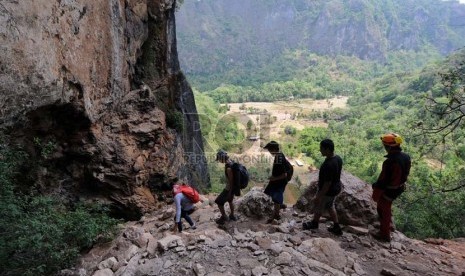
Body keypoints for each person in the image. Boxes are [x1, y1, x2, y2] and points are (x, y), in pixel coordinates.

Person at [371, 133, 411, 242]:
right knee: (385, 209)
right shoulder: (406, 157)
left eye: (385, 146)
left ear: (388, 147)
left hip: (390, 190)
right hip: (399, 188)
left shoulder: (390, 162)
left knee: (384, 210)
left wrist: (375, 189)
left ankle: (384, 235)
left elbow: (383, 180)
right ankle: (387, 227)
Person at [303, 139, 343, 235]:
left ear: (328, 149)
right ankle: (337, 227)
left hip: (328, 191)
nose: (320, 150)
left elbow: (327, 183)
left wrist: (319, 196)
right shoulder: (338, 158)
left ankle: (314, 223)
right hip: (335, 188)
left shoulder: (329, 164)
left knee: (319, 206)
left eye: (321, 148)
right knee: (330, 206)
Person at [263, 141, 289, 223]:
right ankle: (279, 206)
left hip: (279, 181)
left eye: (270, 150)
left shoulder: (279, 157)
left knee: (276, 198)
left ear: (274, 149)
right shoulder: (279, 155)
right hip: (277, 181)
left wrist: (274, 179)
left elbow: (284, 175)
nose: (269, 152)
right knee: (269, 192)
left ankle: (276, 215)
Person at [214, 150, 241, 224]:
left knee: (218, 202)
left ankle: (224, 217)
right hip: (233, 188)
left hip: (229, 188)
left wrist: (229, 192)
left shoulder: (229, 168)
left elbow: (231, 181)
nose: (219, 161)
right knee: (230, 201)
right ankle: (232, 215)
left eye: (219, 159)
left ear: (222, 158)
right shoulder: (231, 162)